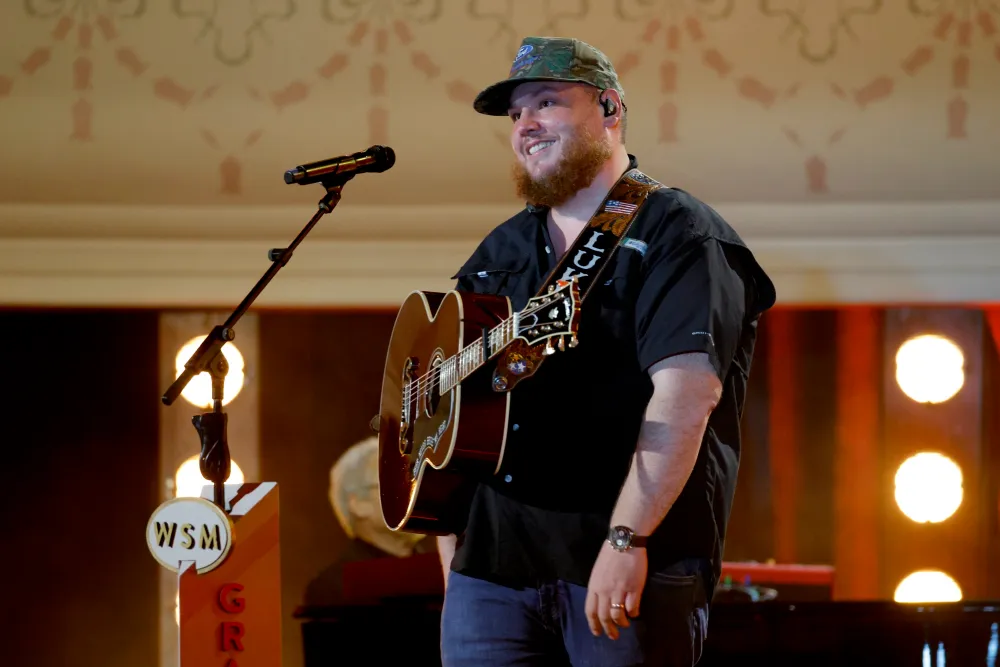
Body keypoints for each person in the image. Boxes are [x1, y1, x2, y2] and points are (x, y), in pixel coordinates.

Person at [436, 36, 776, 667]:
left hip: (619, 560)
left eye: (545, 103)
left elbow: (687, 397)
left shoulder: (680, 233)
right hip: (492, 569)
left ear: (610, 109)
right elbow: (456, 414)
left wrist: (628, 539)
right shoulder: (499, 252)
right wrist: (453, 550)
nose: (525, 125)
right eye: (514, 115)